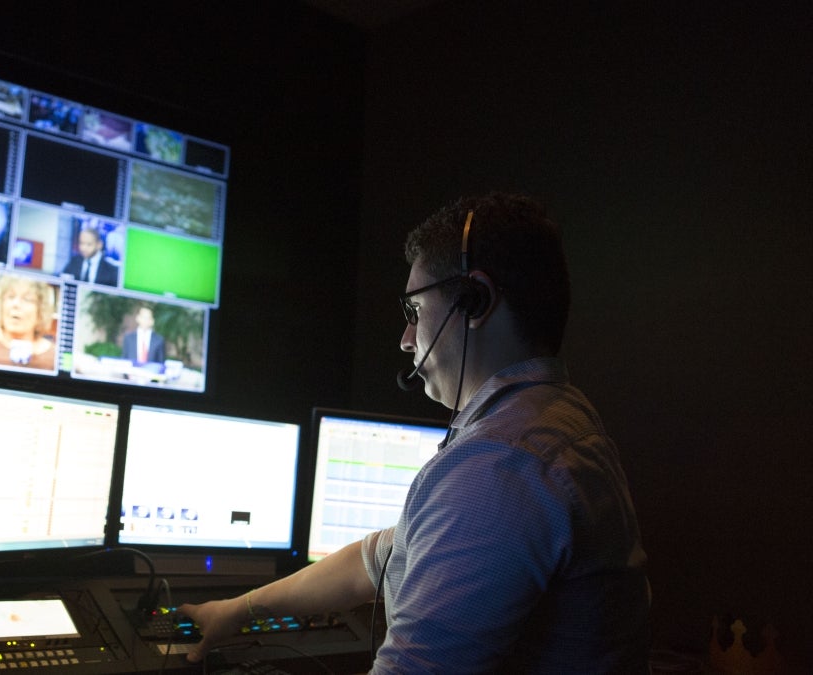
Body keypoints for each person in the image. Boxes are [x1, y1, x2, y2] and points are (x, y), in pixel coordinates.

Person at [179, 192, 650, 672]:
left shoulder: (500, 465)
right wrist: (237, 611)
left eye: (414, 312)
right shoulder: (554, 418)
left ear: (475, 301)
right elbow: (377, 557)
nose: (406, 339)